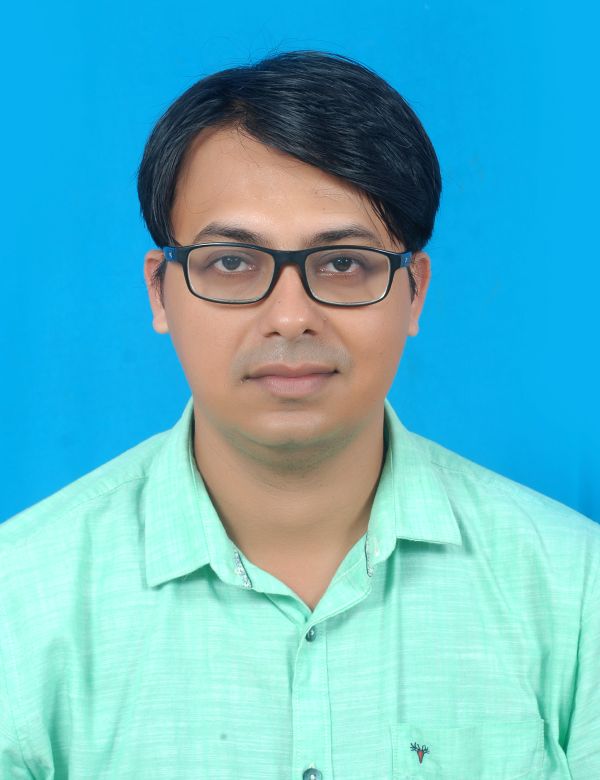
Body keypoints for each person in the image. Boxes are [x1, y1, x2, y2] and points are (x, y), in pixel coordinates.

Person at [0, 49, 598, 780]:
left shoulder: (575, 591)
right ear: (160, 292)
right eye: (231, 262)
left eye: (343, 263)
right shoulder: (18, 605)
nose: (290, 316)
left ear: (414, 291)